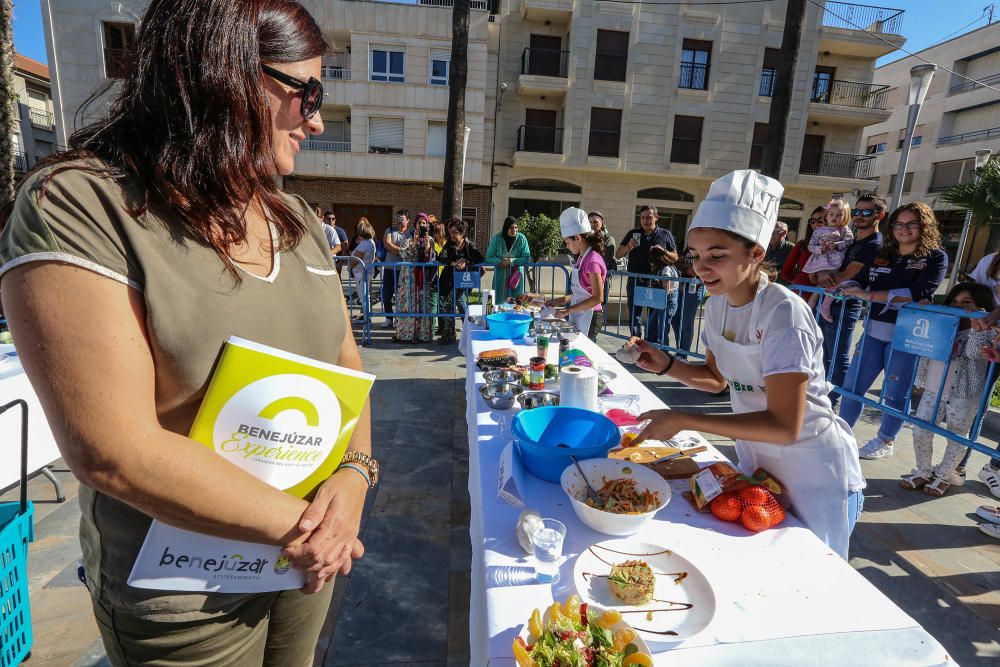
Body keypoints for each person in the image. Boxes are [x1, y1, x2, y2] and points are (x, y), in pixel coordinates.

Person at [0, 1, 376, 662]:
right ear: (225, 71)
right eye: (305, 93)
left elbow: (346, 361)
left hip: (305, 562)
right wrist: (313, 524)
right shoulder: (80, 205)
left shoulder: (294, 217)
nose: (315, 120)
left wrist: (354, 478)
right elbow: (113, 449)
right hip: (189, 595)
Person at [627, 170, 865, 559]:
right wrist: (666, 364)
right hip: (761, 466)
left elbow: (785, 425)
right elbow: (718, 380)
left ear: (756, 254)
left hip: (814, 472)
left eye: (717, 256)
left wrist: (684, 419)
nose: (702, 268)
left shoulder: (783, 314)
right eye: (697, 256)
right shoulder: (717, 304)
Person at [836, 202, 948, 460]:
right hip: (874, 331)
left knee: (895, 392)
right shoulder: (882, 252)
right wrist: (846, 286)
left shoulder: (935, 257)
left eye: (911, 224)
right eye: (899, 224)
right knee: (852, 386)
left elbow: (919, 293)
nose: (904, 229)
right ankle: (841, 435)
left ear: (924, 226)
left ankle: (886, 440)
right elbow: (861, 280)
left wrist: (869, 295)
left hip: (907, 336)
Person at [899, 282, 995, 497]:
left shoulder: (986, 331)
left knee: (957, 437)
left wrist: (977, 326)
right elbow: (921, 340)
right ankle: (923, 471)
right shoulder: (942, 322)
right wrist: (926, 310)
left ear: (982, 306)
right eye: (954, 302)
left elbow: (972, 353)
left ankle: (943, 476)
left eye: (967, 302)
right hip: (934, 389)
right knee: (920, 431)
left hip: (963, 395)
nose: (959, 307)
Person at [813, 195, 886, 408]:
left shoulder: (874, 243)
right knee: (823, 354)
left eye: (866, 212)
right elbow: (825, 264)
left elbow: (847, 274)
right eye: (856, 211)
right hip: (830, 299)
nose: (859, 216)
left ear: (879, 215)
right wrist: (821, 273)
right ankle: (823, 398)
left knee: (838, 357)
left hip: (846, 304)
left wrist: (824, 276)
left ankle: (834, 403)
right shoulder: (852, 238)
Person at [615, 205, 678, 337]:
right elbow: (619, 254)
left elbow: (675, 257)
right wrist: (628, 246)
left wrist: (663, 251)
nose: (645, 221)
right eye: (643, 217)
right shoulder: (633, 234)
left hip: (655, 282)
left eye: (649, 217)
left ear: (656, 217)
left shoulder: (665, 234)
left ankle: (650, 345)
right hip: (635, 280)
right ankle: (636, 344)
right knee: (634, 315)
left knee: (652, 317)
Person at [545, 208, 606, 339]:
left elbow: (597, 298)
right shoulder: (581, 258)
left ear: (577, 238)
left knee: (583, 354)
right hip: (580, 312)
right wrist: (558, 301)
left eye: (567, 242)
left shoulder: (592, 261)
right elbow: (579, 294)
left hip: (592, 315)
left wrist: (568, 310)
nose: (567, 246)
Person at [437, 218, 485, 344]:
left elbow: (480, 258)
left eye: (454, 232)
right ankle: (453, 333)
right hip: (450, 279)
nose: (452, 235)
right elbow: (441, 258)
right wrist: (452, 262)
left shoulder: (470, 245)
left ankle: (466, 330)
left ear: (462, 233)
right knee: (453, 303)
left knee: (456, 301)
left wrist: (466, 261)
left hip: (465, 280)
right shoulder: (450, 244)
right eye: (450, 232)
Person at [802, 199, 853, 312]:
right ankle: (810, 306)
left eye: (839, 215)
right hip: (820, 261)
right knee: (820, 285)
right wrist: (821, 248)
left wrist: (836, 245)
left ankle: (825, 306)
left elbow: (849, 241)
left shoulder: (844, 229)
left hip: (835, 261)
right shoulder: (818, 231)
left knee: (833, 282)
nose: (834, 217)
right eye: (831, 214)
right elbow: (811, 246)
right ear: (826, 216)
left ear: (845, 217)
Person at [395, 213, 436, 343]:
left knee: (422, 304)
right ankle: (406, 335)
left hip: (423, 277)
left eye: (424, 223)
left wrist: (427, 246)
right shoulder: (407, 239)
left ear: (427, 226)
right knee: (409, 304)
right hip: (408, 278)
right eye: (420, 223)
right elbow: (403, 254)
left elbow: (430, 257)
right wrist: (414, 242)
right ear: (415, 224)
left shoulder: (430, 240)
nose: (422, 225)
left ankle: (422, 335)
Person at [486, 216, 531, 302]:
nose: (514, 230)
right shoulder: (497, 239)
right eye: (511, 228)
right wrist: (500, 261)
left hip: (516, 276)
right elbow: (488, 257)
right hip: (501, 275)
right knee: (499, 302)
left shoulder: (522, 238)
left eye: (516, 227)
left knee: (516, 301)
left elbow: (526, 257)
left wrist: (512, 261)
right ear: (506, 228)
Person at [670, 250, 705, 356]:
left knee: (686, 322)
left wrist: (681, 266)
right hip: (681, 287)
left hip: (694, 289)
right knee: (675, 319)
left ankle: (683, 354)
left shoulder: (702, 248)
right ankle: (679, 349)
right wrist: (684, 267)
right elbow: (676, 262)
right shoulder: (689, 248)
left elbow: (694, 271)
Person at [780, 206, 825, 291]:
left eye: (820, 220)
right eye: (812, 221)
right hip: (801, 294)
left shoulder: (838, 245)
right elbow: (785, 272)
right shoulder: (802, 244)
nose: (816, 224)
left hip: (824, 297)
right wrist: (799, 284)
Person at [588, 210, 617, 339]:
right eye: (590, 222)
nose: (593, 224)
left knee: (595, 315)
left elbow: (604, 260)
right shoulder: (585, 238)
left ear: (602, 223)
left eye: (595, 222)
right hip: (586, 280)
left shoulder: (609, 240)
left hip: (600, 280)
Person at [382, 209, 412, 328]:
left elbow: (411, 248)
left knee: (402, 296)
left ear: (408, 220)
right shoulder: (390, 230)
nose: (399, 221)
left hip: (404, 270)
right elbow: (387, 244)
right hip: (390, 268)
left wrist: (400, 251)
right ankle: (388, 317)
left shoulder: (411, 233)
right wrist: (402, 252)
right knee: (387, 294)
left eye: (402, 219)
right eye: (398, 218)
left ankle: (399, 319)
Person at [644, 247, 679, 347]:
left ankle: (664, 351)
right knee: (651, 324)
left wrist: (656, 285)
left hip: (667, 300)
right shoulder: (671, 267)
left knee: (662, 329)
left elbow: (666, 289)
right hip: (665, 300)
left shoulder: (666, 269)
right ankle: (652, 347)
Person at [351, 218, 377, 323]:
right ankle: (366, 316)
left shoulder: (366, 243)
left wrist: (350, 267)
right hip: (363, 272)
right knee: (364, 295)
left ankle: (366, 317)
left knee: (363, 296)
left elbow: (357, 259)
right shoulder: (368, 242)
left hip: (361, 273)